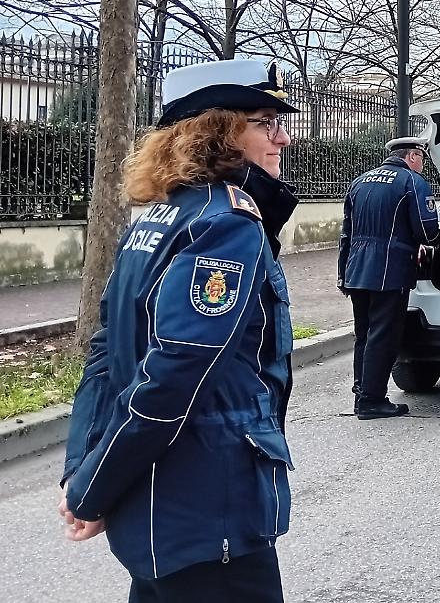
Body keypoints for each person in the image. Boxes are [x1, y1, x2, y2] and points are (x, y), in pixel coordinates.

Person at [59, 59, 302, 602]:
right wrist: (92, 489)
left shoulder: (158, 215)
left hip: (156, 512)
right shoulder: (225, 224)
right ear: (215, 130)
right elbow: (173, 378)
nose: (283, 137)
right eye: (265, 120)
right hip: (207, 511)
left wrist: (84, 473)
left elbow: (104, 357)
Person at [338, 136, 440, 419]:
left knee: (365, 335)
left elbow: (346, 232)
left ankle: (362, 393)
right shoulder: (412, 182)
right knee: (384, 335)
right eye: (422, 158)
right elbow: (427, 232)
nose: (423, 164)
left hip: (356, 269)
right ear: (412, 156)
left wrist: (342, 274)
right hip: (390, 269)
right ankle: (372, 400)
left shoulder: (360, 181)